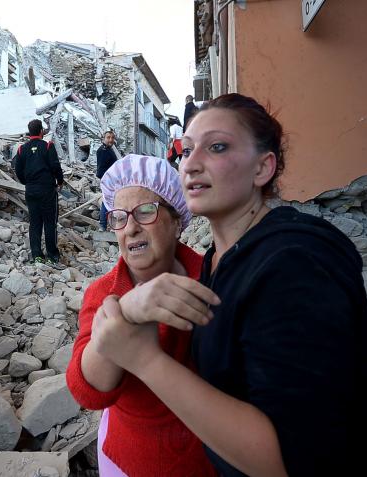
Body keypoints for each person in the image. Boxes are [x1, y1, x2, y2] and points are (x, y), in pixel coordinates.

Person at [88, 94, 367, 476]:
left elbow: (291, 457)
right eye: (186, 151)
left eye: (217, 147)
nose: (191, 163)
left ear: (262, 167)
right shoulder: (219, 262)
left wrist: (144, 360)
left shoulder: (294, 262)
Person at [66, 154, 219, 477]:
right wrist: (126, 313)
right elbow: (86, 391)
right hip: (130, 460)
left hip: (207, 458)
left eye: (145, 211)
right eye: (119, 217)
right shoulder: (104, 292)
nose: (131, 228)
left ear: (177, 221)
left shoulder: (213, 281)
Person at [13, 119, 64, 264]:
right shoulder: (48, 146)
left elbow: (18, 170)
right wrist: (60, 181)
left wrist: (27, 182)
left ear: (29, 132)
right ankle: (52, 256)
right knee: (50, 222)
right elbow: (55, 166)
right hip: (47, 190)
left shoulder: (21, 149)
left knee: (35, 223)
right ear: (41, 131)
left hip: (31, 190)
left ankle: (37, 255)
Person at [95, 130, 118, 231]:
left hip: (111, 180)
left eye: (112, 138)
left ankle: (105, 225)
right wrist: (108, 180)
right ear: (103, 139)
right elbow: (100, 170)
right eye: (108, 137)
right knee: (108, 201)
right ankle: (104, 225)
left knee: (109, 201)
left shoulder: (109, 149)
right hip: (108, 180)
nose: (111, 140)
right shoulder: (103, 150)